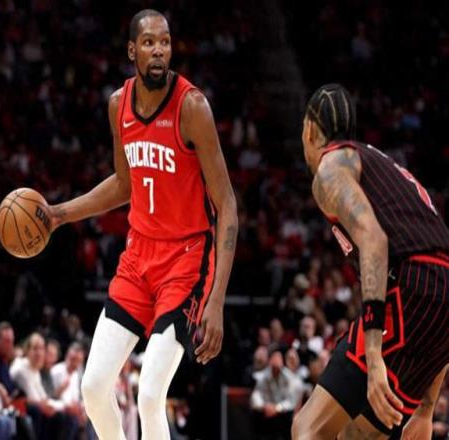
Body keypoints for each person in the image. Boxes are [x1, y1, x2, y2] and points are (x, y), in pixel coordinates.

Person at [47, 8, 237, 440]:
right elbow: (123, 185)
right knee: (93, 387)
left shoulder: (192, 107)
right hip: (138, 257)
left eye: (165, 42)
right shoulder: (119, 105)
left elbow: (228, 204)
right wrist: (60, 214)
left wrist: (216, 300)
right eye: (149, 42)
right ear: (132, 50)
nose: (159, 51)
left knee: (150, 394)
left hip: (186, 260)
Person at [292, 83, 449, 439]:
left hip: (410, 291)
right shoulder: (386, 169)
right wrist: (425, 409)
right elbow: (439, 278)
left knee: (308, 430)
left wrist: (374, 355)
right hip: (437, 305)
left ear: (309, 130)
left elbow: (374, 241)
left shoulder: (331, 166)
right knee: (355, 435)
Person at [251, 349, 304, 440]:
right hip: (265, 414)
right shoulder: (262, 377)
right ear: (269, 360)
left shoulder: (289, 378)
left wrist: (277, 408)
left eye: (278, 358)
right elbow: (256, 396)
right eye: (274, 358)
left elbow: (291, 401)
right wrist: (264, 406)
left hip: (282, 416)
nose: (276, 361)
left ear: (282, 361)